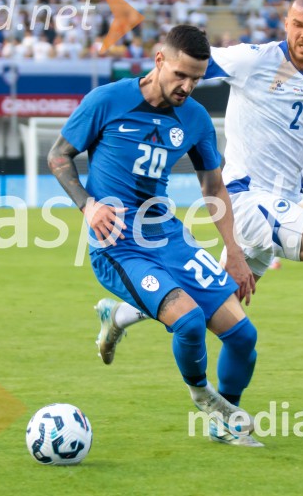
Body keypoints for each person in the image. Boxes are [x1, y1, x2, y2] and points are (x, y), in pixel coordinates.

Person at [96, 0, 303, 408]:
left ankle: (119, 316)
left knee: (213, 304)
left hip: (279, 207)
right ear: (285, 23)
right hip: (244, 198)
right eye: (298, 24)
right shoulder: (252, 59)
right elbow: (185, 64)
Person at [48, 25, 263, 447]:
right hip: (118, 244)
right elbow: (58, 156)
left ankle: (225, 418)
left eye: (196, 79)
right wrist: (88, 205)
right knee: (189, 322)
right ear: (159, 60)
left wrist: (233, 250)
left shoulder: (195, 118)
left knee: (244, 337)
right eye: (181, 75)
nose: (187, 87)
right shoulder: (107, 100)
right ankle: (204, 398)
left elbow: (213, 185)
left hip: (169, 237)